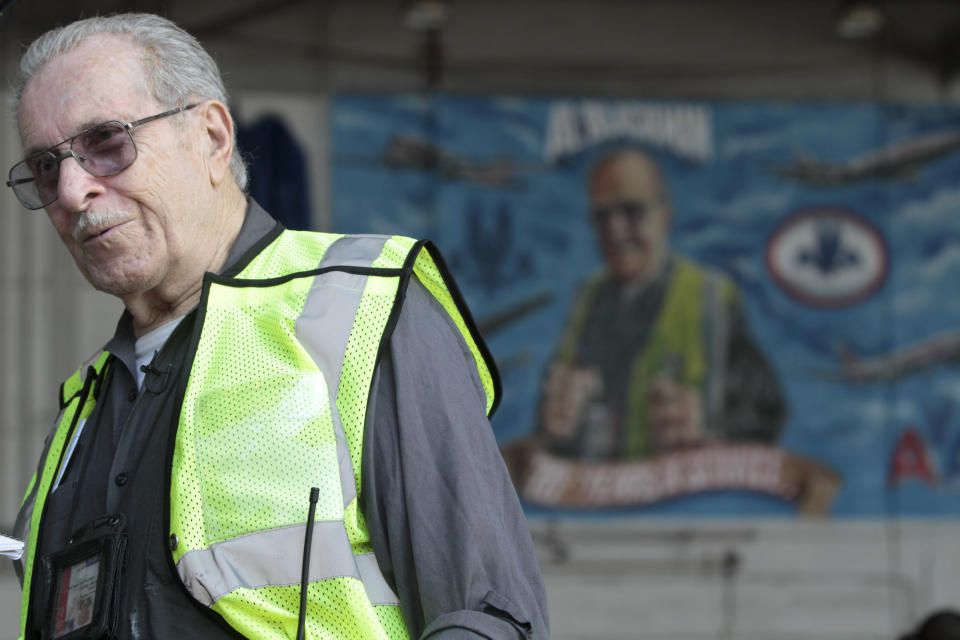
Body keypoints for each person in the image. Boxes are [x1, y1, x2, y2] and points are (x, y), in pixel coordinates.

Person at [7, 13, 548, 640]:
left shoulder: (359, 307)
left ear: (209, 136)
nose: (73, 191)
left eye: (107, 141)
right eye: (47, 167)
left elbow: (487, 614)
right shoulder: (81, 411)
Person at [535, 147, 786, 460]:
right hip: (599, 500)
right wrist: (557, 418)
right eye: (602, 216)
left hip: (685, 502)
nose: (615, 230)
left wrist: (709, 427)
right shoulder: (587, 299)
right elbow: (551, 420)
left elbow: (764, 416)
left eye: (631, 212)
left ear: (664, 216)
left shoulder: (710, 298)